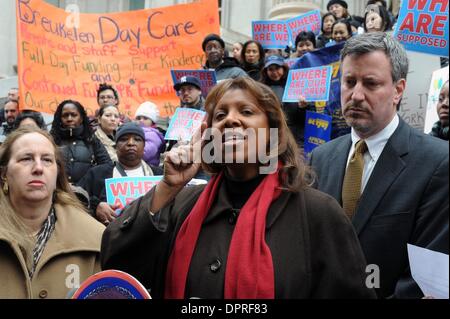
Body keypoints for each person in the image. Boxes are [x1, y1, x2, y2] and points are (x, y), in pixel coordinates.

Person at [101, 77, 376, 299]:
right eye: (220, 115)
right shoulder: (182, 203)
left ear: (273, 132)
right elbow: (118, 267)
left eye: (246, 111)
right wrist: (167, 187)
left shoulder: (317, 213)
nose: (231, 120)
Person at [309, 33, 449, 298]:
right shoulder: (320, 158)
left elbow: (422, 277)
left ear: (398, 90)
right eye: (349, 82)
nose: (356, 95)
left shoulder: (439, 163)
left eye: (370, 84)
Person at [0, 127, 104, 298]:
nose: (38, 168)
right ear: (4, 173)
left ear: (57, 173)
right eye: (26, 159)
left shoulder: (95, 239)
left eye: (47, 160)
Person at [78, 122, 162, 225]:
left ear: (144, 146)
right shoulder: (97, 173)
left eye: (137, 139)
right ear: (115, 146)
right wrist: (96, 206)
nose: (131, 143)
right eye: (124, 139)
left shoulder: (159, 175)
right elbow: (76, 197)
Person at [50, 100, 111, 184]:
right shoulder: (51, 140)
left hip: (86, 194)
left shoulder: (91, 139)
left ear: (81, 118)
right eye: (65, 115)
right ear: (60, 119)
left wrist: (90, 182)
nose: (69, 119)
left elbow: (107, 166)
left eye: (74, 115)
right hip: (58, 193)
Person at [261, 55, 310, 148]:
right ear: (266, 71)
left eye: (277, 68)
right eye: (271, 69)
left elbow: (305, 118)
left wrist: (303, 107)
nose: (274, 72)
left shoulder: (296, 85)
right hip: (273, 137)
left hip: (296, 137)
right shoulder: (260, 89)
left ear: (283, 68)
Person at [134, 101, 166, 167]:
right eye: (138, 118)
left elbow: (145, 153)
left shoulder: (153, 135)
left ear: (152, 121)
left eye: (145, 118)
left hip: (148, 170)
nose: (141, 120)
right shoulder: (134, 131)